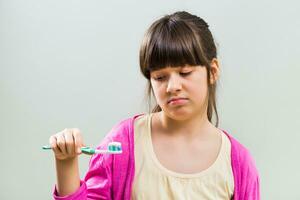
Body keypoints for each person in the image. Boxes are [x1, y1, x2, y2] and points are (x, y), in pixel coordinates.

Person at [49, 11, 260, 200]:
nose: (172, 86)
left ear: (212, 71)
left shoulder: (238, 163)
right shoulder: (124, 141)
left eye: (185, 72)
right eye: (160, 77)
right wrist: (66, 163)